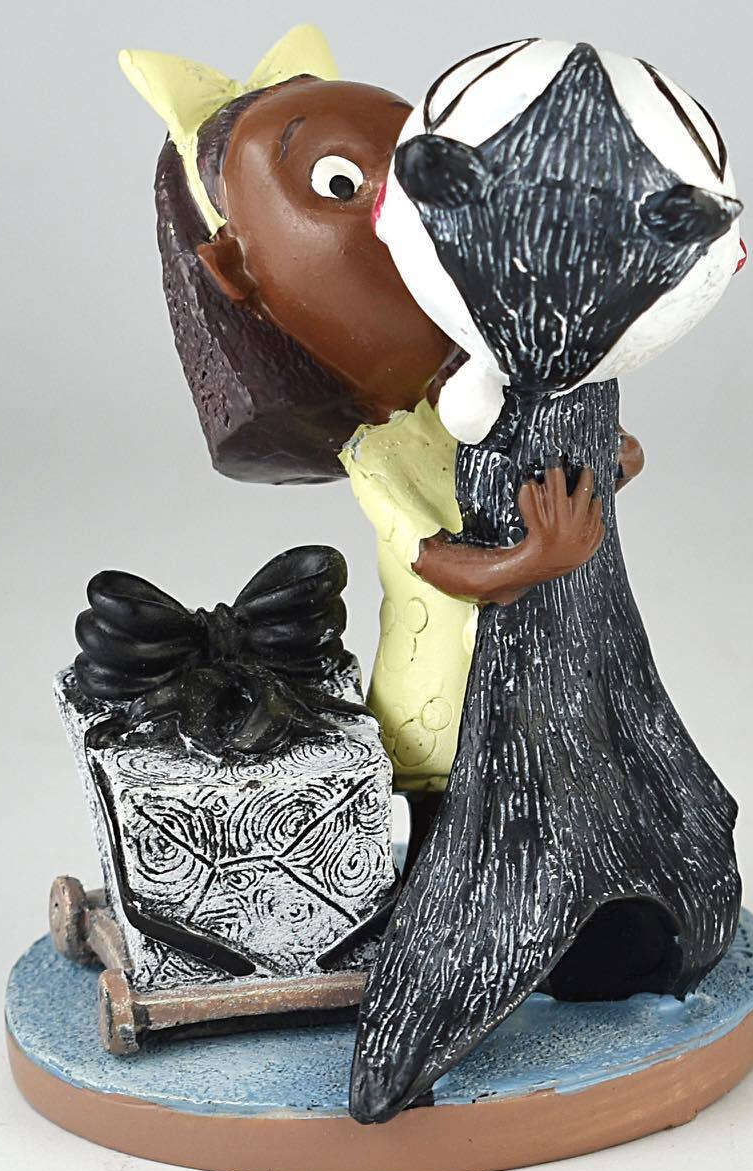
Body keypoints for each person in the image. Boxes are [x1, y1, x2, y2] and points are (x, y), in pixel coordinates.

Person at [121, 28, 643, 863]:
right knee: (460, 841)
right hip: (446, 706)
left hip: (552, 681)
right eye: (339, 183)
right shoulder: (379, 449)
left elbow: (601, 459)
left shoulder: (496, 386)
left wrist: (600, 457)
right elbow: (438, 563)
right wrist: (536, 558)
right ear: (236, 270)